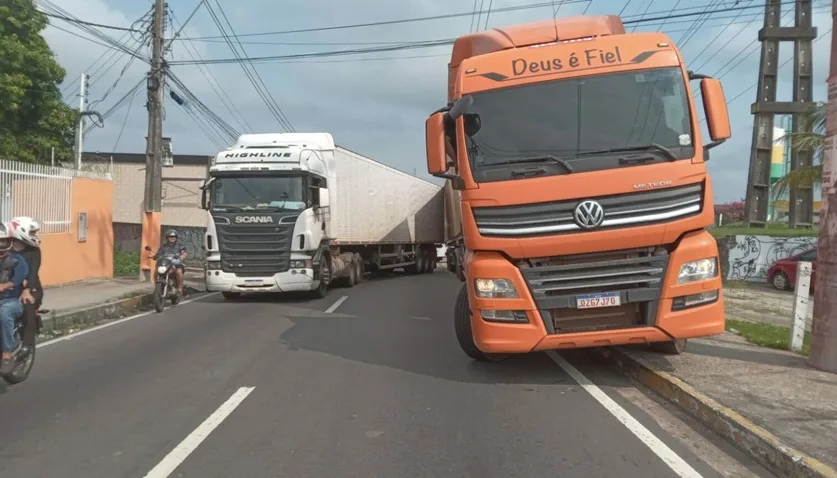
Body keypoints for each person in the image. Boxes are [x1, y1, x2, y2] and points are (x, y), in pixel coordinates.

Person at [8, 217, 42, 352]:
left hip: (31, 287)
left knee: (27, 305)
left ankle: (27, 345)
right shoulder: (6, 248)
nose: (35, 236)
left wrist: (27, 289)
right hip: (9, 287)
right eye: (32, 232)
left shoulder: (34, 251)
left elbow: (33, 272)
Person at [0, 223, 29, 375]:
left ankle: (7, 355)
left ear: (8, 242)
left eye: (2, 241)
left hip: (11, 300)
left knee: (4, 313)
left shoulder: (17, 260)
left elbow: (19, 277)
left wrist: (5, 285)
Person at [157, 229, 188, 296]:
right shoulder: (163, 247)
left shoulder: (180, 246)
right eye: (170, 237)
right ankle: (157, 287)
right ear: (167, 238)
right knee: (156, 271)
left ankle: (179, 289)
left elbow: (184, 253)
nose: (172, 238)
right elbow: (158, 254)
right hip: (166, 264)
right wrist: (155, 256)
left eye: (174, 237)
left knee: (178, 271)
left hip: (178, 264)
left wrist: (183, 255)